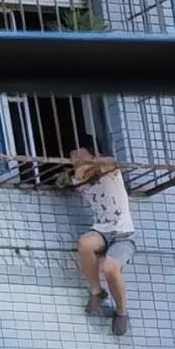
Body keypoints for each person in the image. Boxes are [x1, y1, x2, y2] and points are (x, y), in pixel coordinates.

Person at [64, 139, 135, 335]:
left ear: (93, 155)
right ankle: (97, 292)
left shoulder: (111, 171)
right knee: (85, 244)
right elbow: (79, 174)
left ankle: (121, 312)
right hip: (101, 230)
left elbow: (110, 161)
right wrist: (84, 165)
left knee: (111, 269)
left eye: (80, 156)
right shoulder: (80, 179)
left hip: (123, 233)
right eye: (73, 159)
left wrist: (92, 162)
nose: (76, 161)